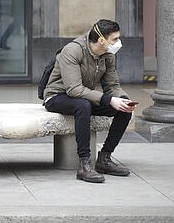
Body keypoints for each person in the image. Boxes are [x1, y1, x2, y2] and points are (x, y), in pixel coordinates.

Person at [43, 19, 136, 183]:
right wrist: (108, 100)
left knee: (123, 108)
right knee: (83, 105)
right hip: (57, 96)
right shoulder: (73, 51)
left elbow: (112, 85)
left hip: (83, 96)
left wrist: (122, 99)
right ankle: (84, 164)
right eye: (115, 39)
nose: (118, 43)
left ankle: (105, 158)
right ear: (102, 40)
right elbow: (73, 89)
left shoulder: (107, 54)